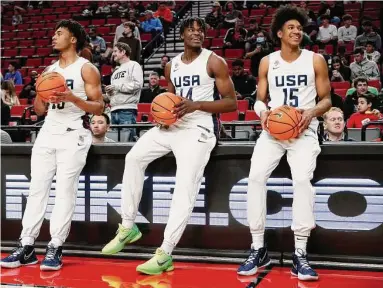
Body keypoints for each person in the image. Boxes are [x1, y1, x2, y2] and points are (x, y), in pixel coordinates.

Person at [101, 16, 237, 275]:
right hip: (172, 127)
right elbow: (170, 99)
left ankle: (165, 253)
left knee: (184, 187)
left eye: (201, 31)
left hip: (200, 128)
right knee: (133, 158)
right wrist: (163, 115)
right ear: (182, 35)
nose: (196, 34)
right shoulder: (171, 66)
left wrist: (196, 105)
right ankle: (128, 226)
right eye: (191, 30)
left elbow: (231, 102)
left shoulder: (213, 62)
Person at [0, 19, 104, 271]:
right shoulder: (49, 71)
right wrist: (39, 92)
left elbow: (99, 106)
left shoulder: (86, 69)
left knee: (65, 192)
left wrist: (71, 97)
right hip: (48, 133)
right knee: (37, 189)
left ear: (73, 39)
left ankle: (55, 246)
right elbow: (38, 112)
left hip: (74, 134)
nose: (54, 37)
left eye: (59, 33)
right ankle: (26, 246)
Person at [237, 6, 331, 281]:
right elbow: (259, 99)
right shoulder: (268, 61)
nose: (296, 30)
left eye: (299, 27)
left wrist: (310, 113)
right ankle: (257, 248)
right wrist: (263, 112)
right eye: (290, 27)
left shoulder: (315, 60)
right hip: (273, 130)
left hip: (304, 129)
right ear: (279, 33)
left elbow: (326, 100)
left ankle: (299, 253)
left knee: (302, 181)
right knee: (254, 178)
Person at [105, 42, 143, 142]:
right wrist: (109, 93)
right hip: (113, 110)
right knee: (115, 144)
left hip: (127, 109)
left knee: (128, 143)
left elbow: (137, 85)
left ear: (123, 52)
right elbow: (114, 91)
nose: (113, 54)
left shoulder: (134, 65)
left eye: (115, 51)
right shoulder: (115, 72)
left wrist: (116, 87)